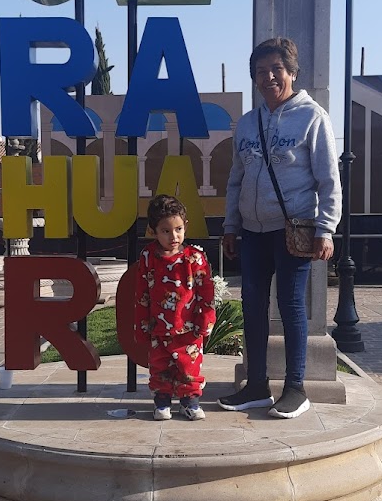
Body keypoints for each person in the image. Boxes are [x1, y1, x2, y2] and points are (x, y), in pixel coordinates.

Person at [219, 37, 341, 420]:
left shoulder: (313, 117)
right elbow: (236, 180)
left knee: (290, 305)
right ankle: (257, 385)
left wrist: (326, 228)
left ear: (291, 73)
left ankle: (296, 388)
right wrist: (230, 226)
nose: (268, 77)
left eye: (276, 69)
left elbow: (329, 180)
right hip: (252, 231)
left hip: (293, 229)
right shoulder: (247, 124)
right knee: (252, 305)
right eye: (261, 71)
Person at [134, 194, 216, 421]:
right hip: (158, 328)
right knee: (159, 367)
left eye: (178, 229)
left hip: (188, 330)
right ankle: (162, 403)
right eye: (166, 231)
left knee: (189, 368)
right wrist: (142, 326)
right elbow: (142, 294)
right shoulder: (148, 257)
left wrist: (206, 321)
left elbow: (206, 293)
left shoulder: (195, 258)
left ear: (185, 226)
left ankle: (190, 402)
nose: (173, 236)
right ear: (153, 231)